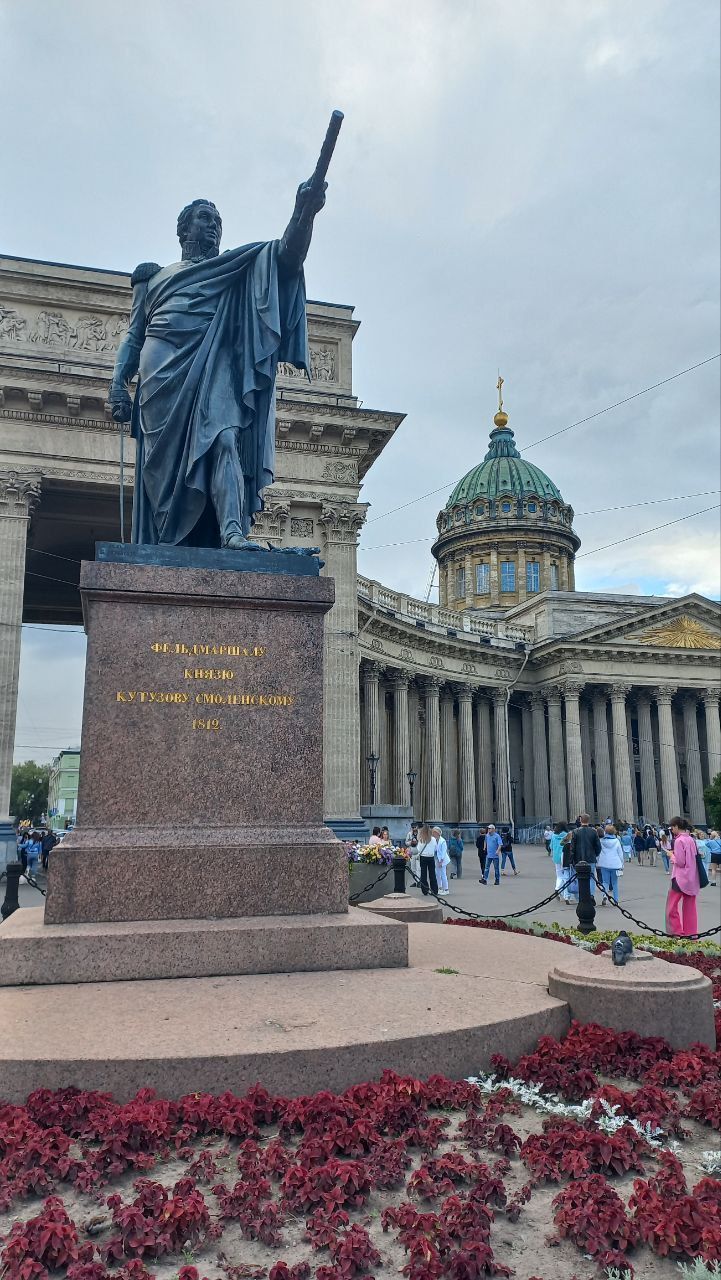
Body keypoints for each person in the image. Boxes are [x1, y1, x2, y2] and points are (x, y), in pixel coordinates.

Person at [108, 180, 328, 550]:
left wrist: (304, 211)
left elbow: (288, 256)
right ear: (184, 228)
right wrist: (117, 381)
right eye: (205, 218)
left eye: (218, 221)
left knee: (225, 439)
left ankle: (231, 532)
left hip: (215, 367)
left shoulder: (234, 271)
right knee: (160, 478)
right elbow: (134, 335)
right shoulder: (152, 276)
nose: (213, 226)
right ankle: (167, 540)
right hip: (161, 379)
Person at [667, 816, 701, 937]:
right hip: (692, 878)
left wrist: (672, 855)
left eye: (672, 827)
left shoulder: (679, 840)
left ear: (676, 827)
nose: (671, 830)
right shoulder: (691, 839)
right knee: (690, 907)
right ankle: (691, 934)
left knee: (671, 906)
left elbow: (680, 862)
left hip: (680, 877)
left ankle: (677, 931)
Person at [569, 814, 602, 900]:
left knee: (580, 878)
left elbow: (572, 848)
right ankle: (591, 896)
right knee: (591, 878)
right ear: (588, 821)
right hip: (591, 858)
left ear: (580, 821)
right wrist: (596, 854)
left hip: (578, 859)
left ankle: (582, 897)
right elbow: (598, 846)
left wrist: (571, 860)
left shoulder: (575, 831)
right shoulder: (593, 831)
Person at [598, 825, 624, 905]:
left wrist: (598, 861)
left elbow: (598, 853)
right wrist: (622, 864)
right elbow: (620, 854)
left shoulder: (601, 841)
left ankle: (604, 895)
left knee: (605, 882)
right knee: (614, 883)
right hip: (615, 864)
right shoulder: (616, 841)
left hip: (604, 863)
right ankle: (616, 900)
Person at [416, 824, 439, 897]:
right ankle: (434, 890)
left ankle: (425, 890)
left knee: (423, 874)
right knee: (432, 874)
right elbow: (435, 848)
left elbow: (418, 849)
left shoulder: (421, 839)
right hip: (431, 857)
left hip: (423, 857)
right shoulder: (433, 839)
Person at [432, 826, 450, 894]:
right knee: (437, 874)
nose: (433, 834)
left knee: (443, 874)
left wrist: (441, 861)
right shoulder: (434, 840)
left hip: (442, 860)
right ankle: (439, 888)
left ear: (438, 833)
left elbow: (443, 851)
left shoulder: (442, 841)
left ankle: (446, 889)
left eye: (434, 833)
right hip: (437, 859)